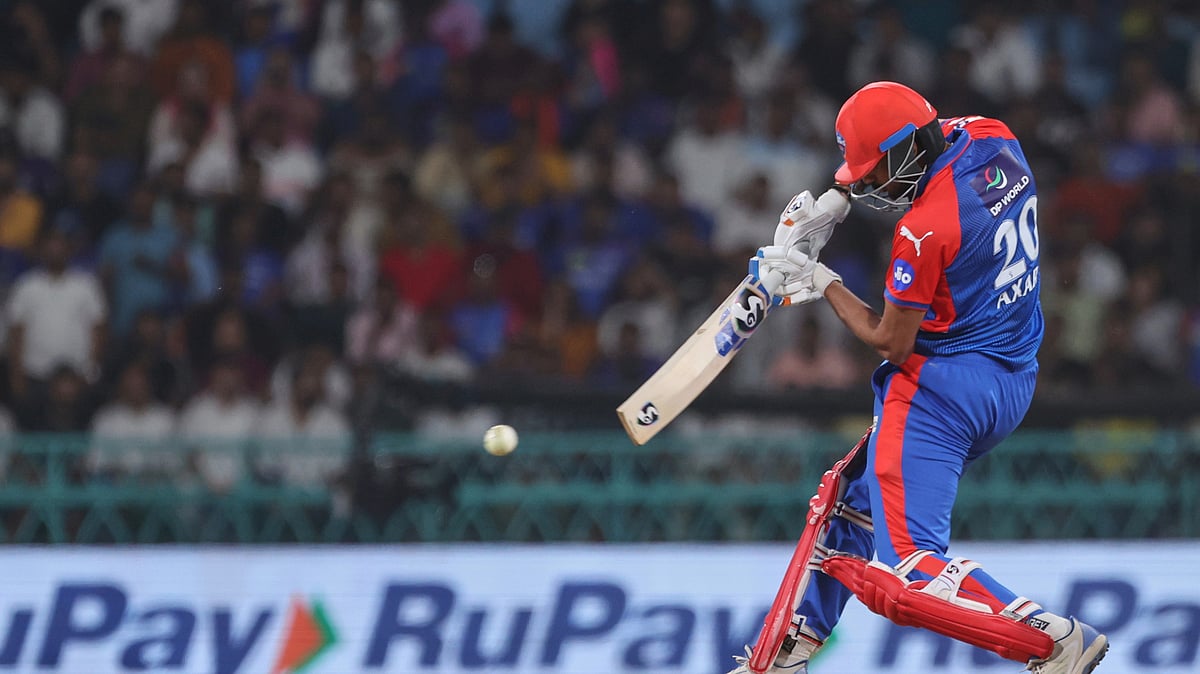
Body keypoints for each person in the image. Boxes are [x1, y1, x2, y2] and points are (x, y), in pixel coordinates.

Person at [731, 82, 1107, 673]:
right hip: (1013, 379)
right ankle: (789, 652)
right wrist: (837, 199)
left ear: (907, 148)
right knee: (847, 498)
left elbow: (889, 339)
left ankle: (1050, 638)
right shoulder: (994, 135)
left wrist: (820, 278)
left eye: (876, 173)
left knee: (910, 573)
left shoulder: (923, 229)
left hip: (940, 394)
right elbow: (925, 135)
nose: (876, 187)